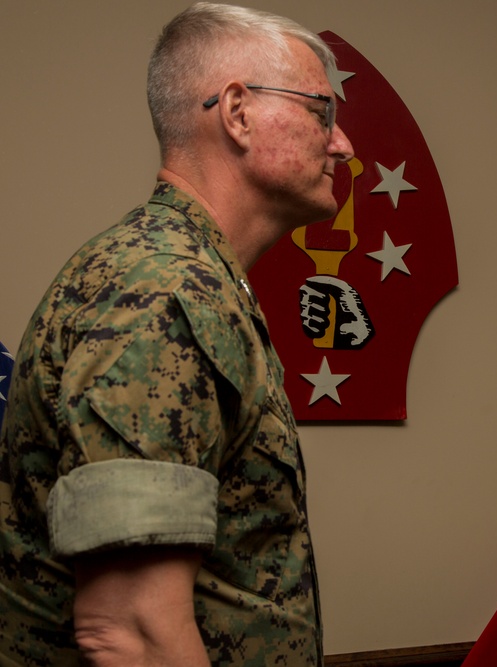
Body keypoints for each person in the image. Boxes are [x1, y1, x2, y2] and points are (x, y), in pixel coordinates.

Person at [0, 3, 354, 665]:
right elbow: (130, 630)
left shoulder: (195, 279)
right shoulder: (161, 289)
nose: (342, 143)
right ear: (238, 112)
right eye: (321, 111)